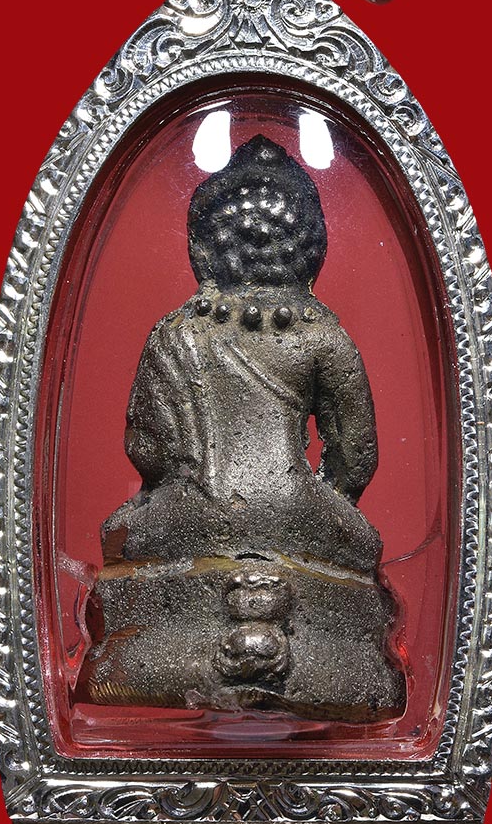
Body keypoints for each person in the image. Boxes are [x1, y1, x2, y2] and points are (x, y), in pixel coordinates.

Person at [83, 135, 405, 720]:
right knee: (359, 545)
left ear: (205, 243)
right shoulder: (322, 335)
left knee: (124, 535)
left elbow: (147, 449)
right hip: (297, 506)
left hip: (189, 510)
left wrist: (184, 485)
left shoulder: (177, 332)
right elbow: (356, 458)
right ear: (308, 246)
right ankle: (332, 655)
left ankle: (149, 651)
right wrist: (320, 505)